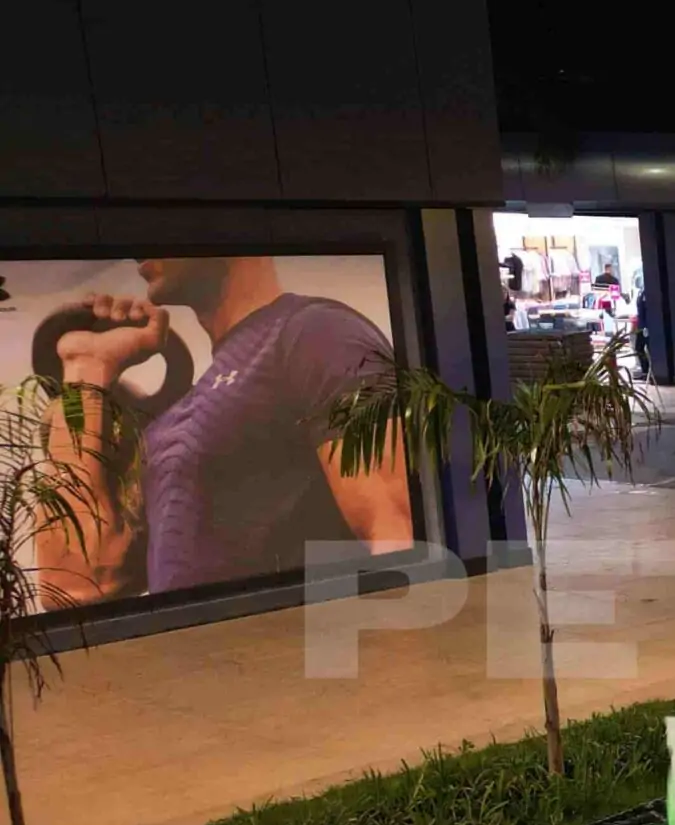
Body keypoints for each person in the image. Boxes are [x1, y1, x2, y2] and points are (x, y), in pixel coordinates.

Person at [40, 256, 415, 602]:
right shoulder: (169, 428)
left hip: (292, 651)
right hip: (196, 655)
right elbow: (75, 588)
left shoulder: (315, 333)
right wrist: (85, 369)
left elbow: (398, 535)